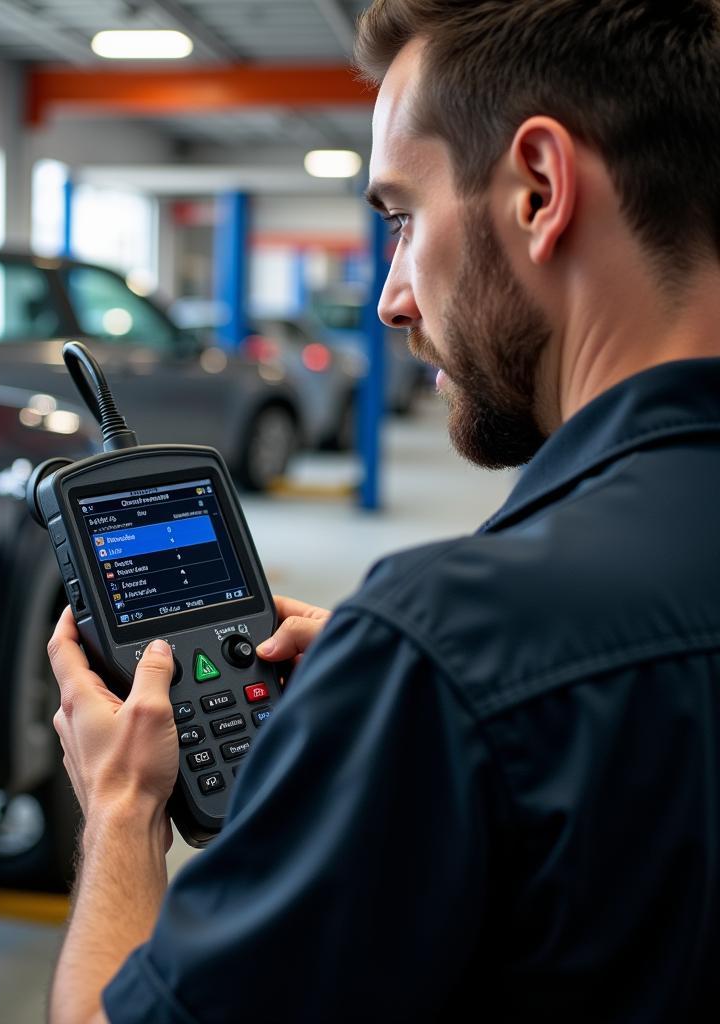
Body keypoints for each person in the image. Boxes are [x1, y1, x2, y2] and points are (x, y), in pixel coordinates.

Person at [46, 2, 720, 1020]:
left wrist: (125, 808)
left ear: (539, 188)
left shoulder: (453, 643)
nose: (391, 299)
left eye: (402, 217)